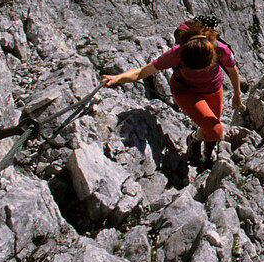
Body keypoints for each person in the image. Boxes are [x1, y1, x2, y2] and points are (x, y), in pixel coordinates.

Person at [102, 18, 242, 168]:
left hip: (213, 89)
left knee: (211, 127)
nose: (200, 71)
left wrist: (237, 93)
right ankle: (194, 140)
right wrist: (118, 77)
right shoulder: (177, 53)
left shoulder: (220, 49)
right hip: (186, 92)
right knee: (215, 130)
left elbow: (232, 70)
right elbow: (142, 72)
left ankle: (205, 157)